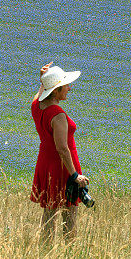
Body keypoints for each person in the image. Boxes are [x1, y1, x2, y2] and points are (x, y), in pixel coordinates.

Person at [31, 62, 89, 242]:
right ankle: (69, 253)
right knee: (70, 213)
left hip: (45, 164)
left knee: (49, 212)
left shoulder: (36, 107)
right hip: (63, 167)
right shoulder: (58, 115)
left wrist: (43, 81)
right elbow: (63, 149)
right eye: (65, 86)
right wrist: (75, 176)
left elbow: (38, 96)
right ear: (55, 90)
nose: (69, 88)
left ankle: (45, 249)